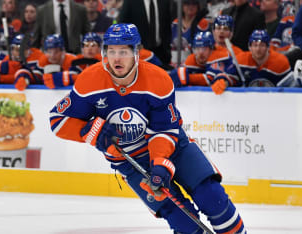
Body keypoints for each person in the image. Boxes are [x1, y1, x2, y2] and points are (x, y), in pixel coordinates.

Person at [49, 23, 246, 234]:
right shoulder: (90, 81)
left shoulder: (158, 79)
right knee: (183, 222)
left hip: (175, 149)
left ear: (136, 53)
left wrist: (161, 164)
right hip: (131, 162)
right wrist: (94, 132)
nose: (116, 58)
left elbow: (164, 130)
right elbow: (58, 121)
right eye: (111, 51)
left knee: (212, 196)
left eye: (123, 51)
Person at [212, 29, 292, 94]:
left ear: (268, 47)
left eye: (262, 45)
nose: (258, 49)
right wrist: (223, 80)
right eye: (255, 45)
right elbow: (229, 75)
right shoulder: (241, 59)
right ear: (249, 47)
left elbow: (290, 87)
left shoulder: (280, 62)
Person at [119, 0, 173, 69]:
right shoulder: (131, 2)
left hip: (161, 54)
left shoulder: (164, 2)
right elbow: (123, 26)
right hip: (139, 54)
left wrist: (167, 50)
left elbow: (167, 28)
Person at [170, 0, 210, 66]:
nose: (190, 6)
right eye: (187, 3)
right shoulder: (175, 23)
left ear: (198, 6)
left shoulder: (202, 23)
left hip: (194, 65)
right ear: (182, 6)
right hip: (174, 63)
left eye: (194, 4)